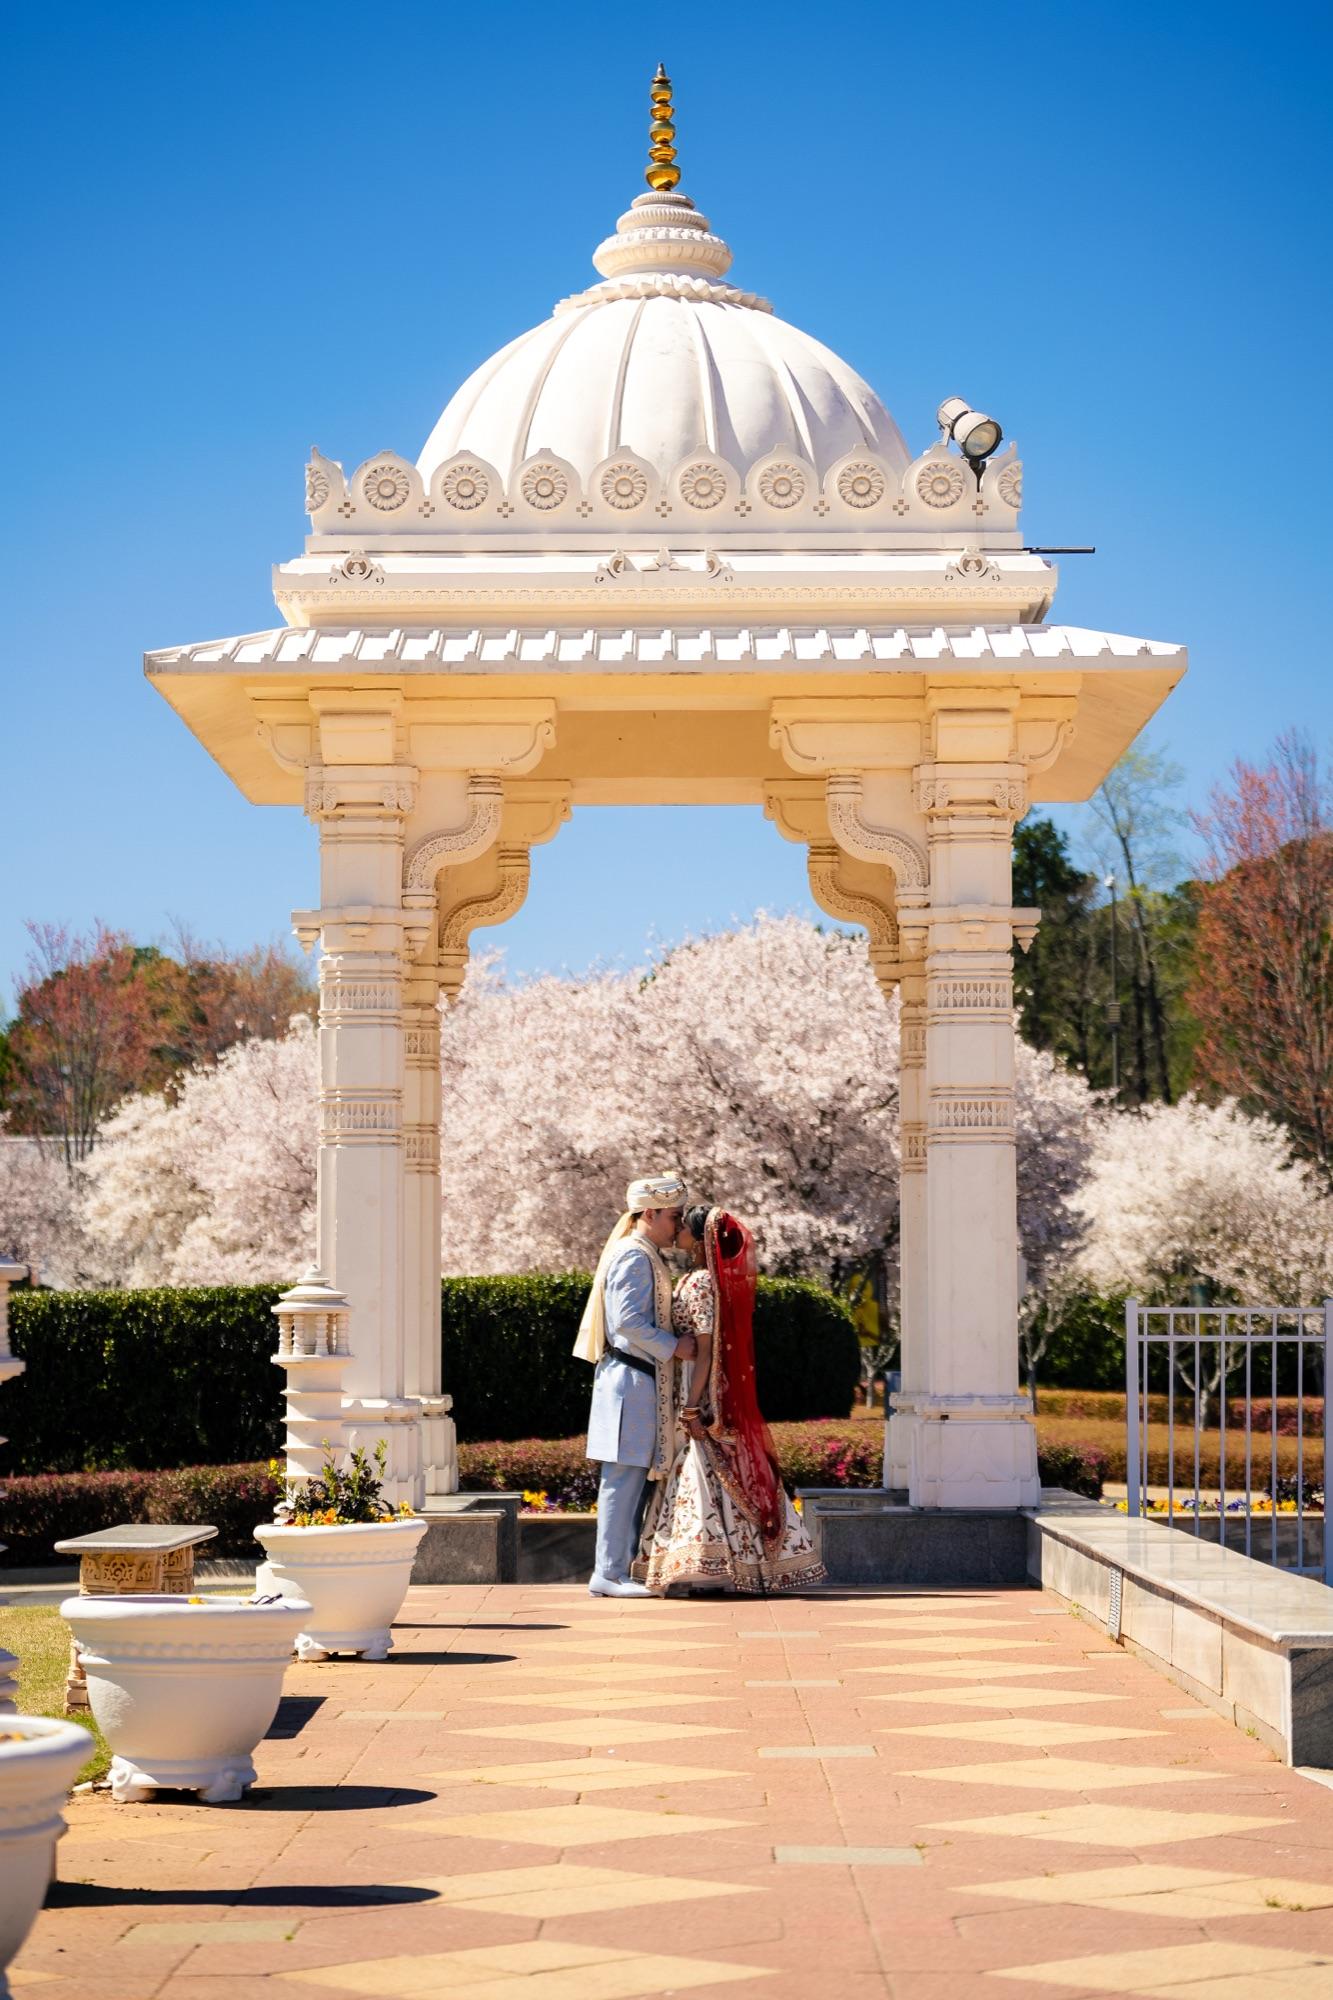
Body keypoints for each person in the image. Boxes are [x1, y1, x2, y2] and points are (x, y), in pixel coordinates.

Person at [634, 1204, 827, 1595]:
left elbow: (706, 1350)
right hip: (695, 1384)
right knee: (704, 1469)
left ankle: (711, 1568)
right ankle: (721, 1565)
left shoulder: (702, 1282)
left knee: (704, 1467)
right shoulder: (701, 1279)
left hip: (702, 1390)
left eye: (683, 1227)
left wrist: (692, 1404)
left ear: (700, 1239)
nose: (677, 1233)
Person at [574, 1172, 697, 1597]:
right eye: (673, 1216)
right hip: (630, 1380)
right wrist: (674, 1347)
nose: (678, 1226)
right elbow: (626, 1321)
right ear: (649, 1213)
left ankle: (617, 1568)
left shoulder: (642, 1252)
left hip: (636, 1380)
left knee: (631, 1476)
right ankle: (608, 1572)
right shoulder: (634, 1254)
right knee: (623, 1477)